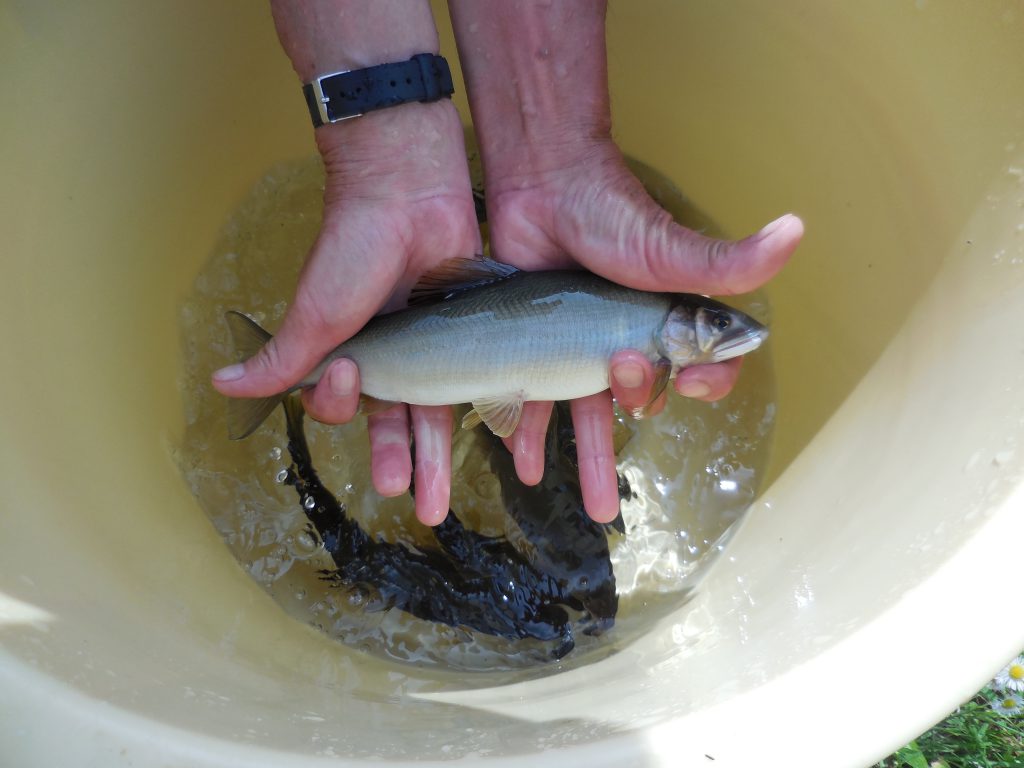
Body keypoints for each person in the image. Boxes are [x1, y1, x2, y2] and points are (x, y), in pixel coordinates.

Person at [212, 0, 803, 526]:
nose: (732, 330)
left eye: (718, 323)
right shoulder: (654, 333)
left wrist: (551, 148)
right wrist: (381, 165)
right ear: (682, 317)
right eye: (717, 322)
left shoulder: (652, 329)